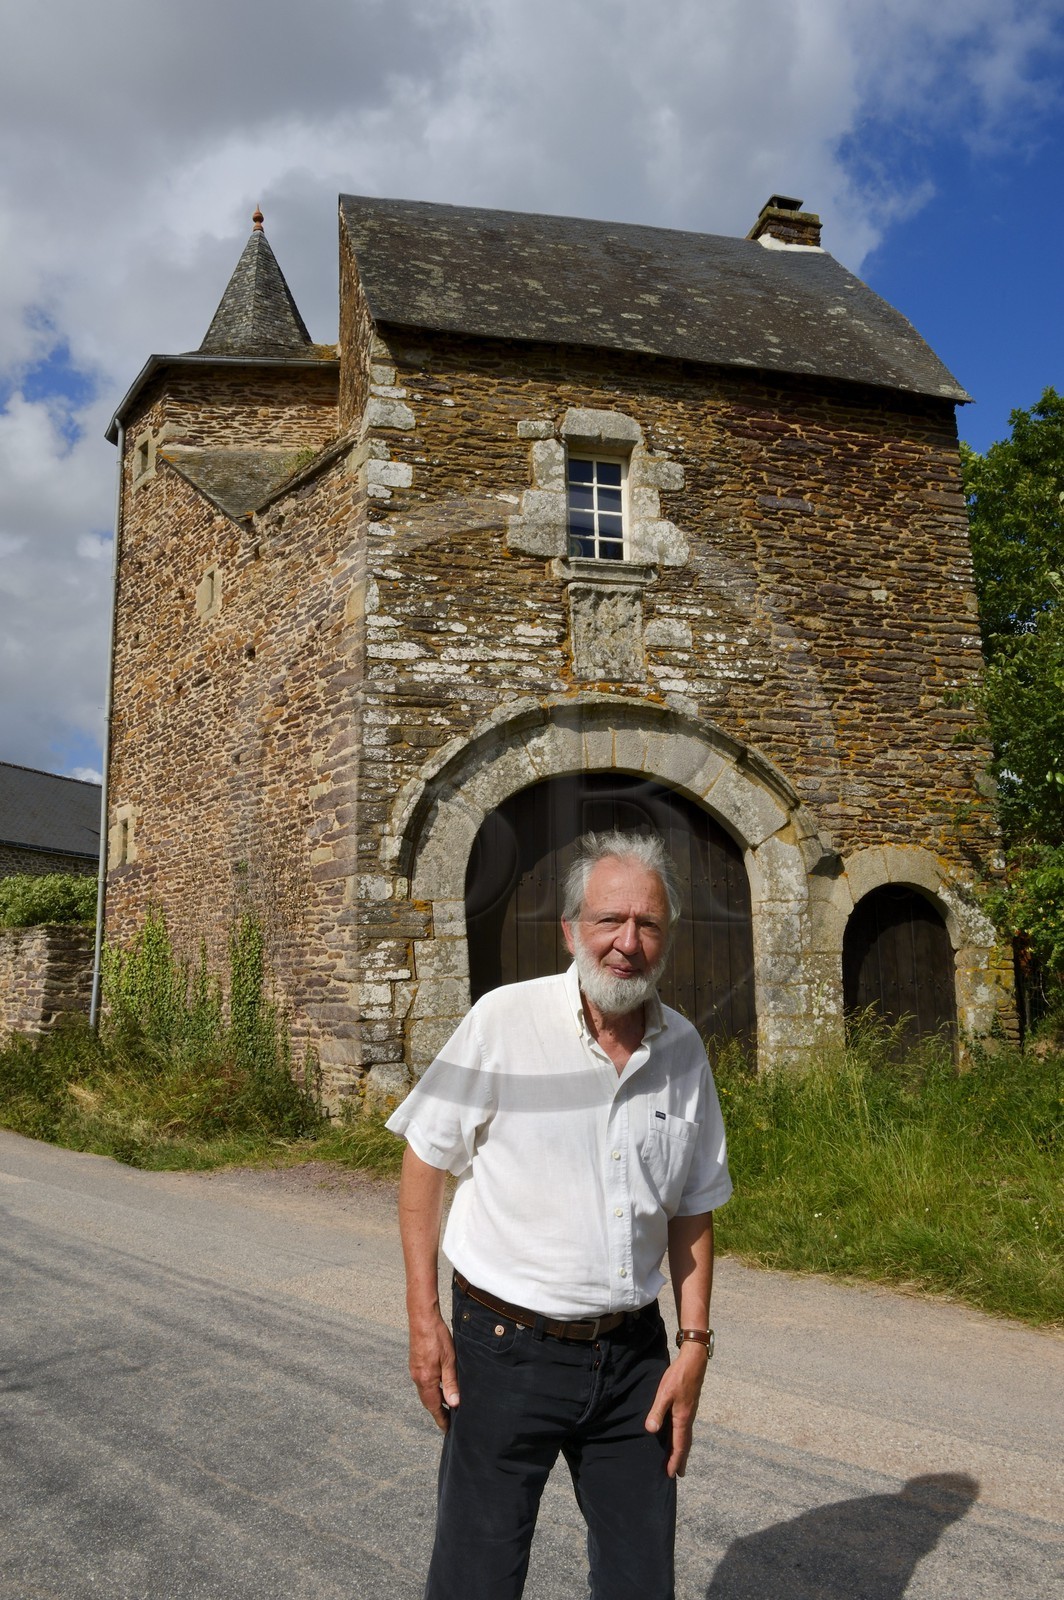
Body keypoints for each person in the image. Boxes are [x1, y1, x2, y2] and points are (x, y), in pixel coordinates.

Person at [385, 829, 732, 1600]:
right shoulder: (503, 1022)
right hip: (504, 1351)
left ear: (665, 938)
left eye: (647, 924)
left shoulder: (684, 1051)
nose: (627, 943)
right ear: (571, 930)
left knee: (642, 1581)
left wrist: (695, 1343)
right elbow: (424, 1159)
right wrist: (423, 1320)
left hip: (635, 1361)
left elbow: (694, 1206)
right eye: (610, 920)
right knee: (478, 1578)